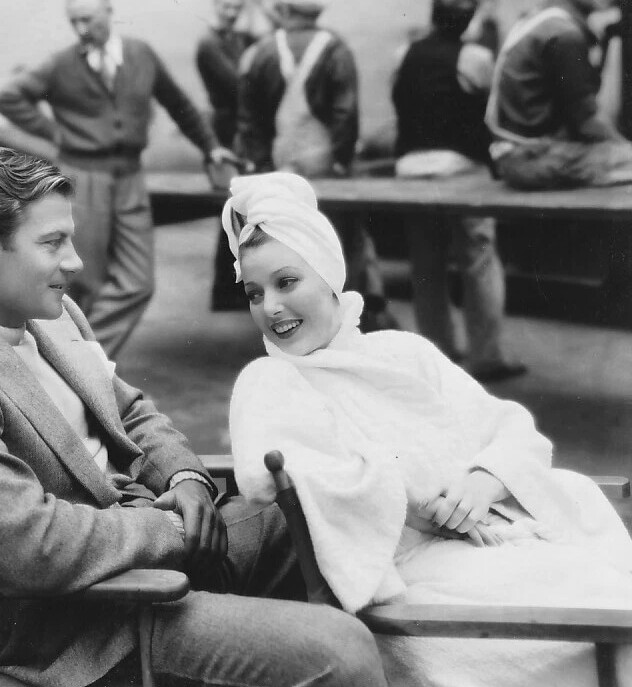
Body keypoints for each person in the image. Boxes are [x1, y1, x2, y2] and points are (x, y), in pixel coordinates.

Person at [0, 148, 387, 687]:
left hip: (151, 561)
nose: (75, 261)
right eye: (52, 242)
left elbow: (131, 412)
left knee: (332, 516)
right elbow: (30, 544)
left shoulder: (46, 311)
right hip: (86, 626)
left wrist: (185, 480)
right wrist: (172, 528)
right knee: (342, 651)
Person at [222, 172, 632, 687]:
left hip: (499, 531)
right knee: (595, 608)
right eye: (254, 293)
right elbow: (274, 477)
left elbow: (508, 426)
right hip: (411, 578)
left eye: (287, 282)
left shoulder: (402, 352)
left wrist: (486, 479)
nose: (271, 306)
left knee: (599, 577)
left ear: (328, 276)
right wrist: (419, 504)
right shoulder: (272, 382)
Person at [0, 0, 237, 358]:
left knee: (139, 283)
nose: (81, 29)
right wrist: (57, 133)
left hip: (130, 177)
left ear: (108, 12)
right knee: (84, 278)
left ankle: (80, 359)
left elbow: (179, 105)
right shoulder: (61, 64)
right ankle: (71, 365)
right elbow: (8, 97)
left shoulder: (141, 55)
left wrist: (210, 147)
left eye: (87, 20)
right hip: (83, 176)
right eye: (74, 22)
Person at [236, 0, 396, 332]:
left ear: (283, 10)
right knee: (342, 243)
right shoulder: (336, 50)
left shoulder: (260, 53)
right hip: (326, 169)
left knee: (291, 248)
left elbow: (249, 120)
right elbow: (345, 114)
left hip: (280, 169)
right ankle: (348, 324)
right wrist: (340, 161)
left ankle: (300, 327)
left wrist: (263, 165)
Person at [392, 0, 526, 383]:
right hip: (461, 168)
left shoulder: (405, 54)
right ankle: (487, 355)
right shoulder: (476, 57)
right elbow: (491, 109)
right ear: (468, 21)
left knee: (425, 262)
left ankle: (437, 352)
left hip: (411, 168)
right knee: (478, 257)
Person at [486, 0, 632, 189]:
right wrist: (624, 147)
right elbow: (588, 122)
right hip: (534, 159)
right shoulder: (565, 34)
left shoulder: (542, 18)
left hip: (512, 156)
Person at [196, 0, 256, 311]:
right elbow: (238, 85)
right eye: (226, 6)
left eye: (237, 7)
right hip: (226, 129)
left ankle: (233, 288)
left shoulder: (238, 39)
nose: (232, 13)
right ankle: (224, 289)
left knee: (240, 209)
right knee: (230, 208)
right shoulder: (209, 44)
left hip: (239, 126)